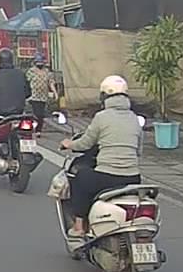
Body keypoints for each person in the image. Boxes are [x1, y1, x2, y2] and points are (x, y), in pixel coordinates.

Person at [59, 75, 143, 237]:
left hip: (107, 177)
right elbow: (138, 151)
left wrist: (69, 144)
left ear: (104, 97)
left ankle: (79, 227)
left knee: (81, 178)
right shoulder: (134, 119)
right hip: (133, 178)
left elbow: (85, 143)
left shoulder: (101, 117)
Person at [25, 53, 57, 131]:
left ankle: (38, 129)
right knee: (36, 113)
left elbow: (51, 83)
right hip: (34, 96)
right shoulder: (31, 71)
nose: (40, 64)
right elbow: (26, 83)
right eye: (38, 62)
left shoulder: (47, 72)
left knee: (41, 114)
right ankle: (35, 129)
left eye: (41, 62)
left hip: (43, 96)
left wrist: (55, 93)